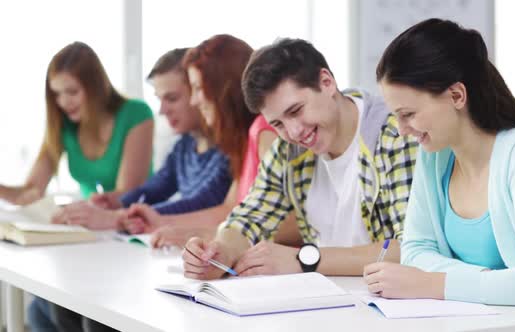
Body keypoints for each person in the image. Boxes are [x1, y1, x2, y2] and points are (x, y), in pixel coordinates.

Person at [363, 18, 515, 309]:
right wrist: (497, 282)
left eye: (408, 114)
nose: (402, 129)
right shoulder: (435, 155)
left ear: (457, 95)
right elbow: (415, 252)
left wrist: (432, 283)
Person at [181, 38, 418, 280]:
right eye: (278, 124)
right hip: (322, 299)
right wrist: (221, 252)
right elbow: (248, 218)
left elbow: (410, 248)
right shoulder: (288, 151)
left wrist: (304, 259)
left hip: (385, 304)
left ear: (326, 82)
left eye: (295, 111)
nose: (293, 133)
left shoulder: (395, 137)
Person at [4, 42, 154, 332]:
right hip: (85, 237)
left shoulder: (136, 114)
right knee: (41, 308)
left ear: (95, 87)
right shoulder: (64, 125)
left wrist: (87, 210)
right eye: (57, 93)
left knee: (84, 315)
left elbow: (126, 193)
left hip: (124, 234)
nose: (64, 102)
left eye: (72, 92)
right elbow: (31, 192)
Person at [126, 35, 299, 249]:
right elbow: (229, 209)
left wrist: (212, 235)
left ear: (223, 88)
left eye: (198, 88)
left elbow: (298, 222)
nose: (194, 100)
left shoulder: (264, 130)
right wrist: (162, 222)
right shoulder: (244, 141)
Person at [67, 48, 233, 234]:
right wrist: (117, 201)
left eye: (172, 98)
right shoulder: (184, 147)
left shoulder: (229, 150)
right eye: (160, 99)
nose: (162, 110)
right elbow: (154, 188)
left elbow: (201, 204)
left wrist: (120, 217)